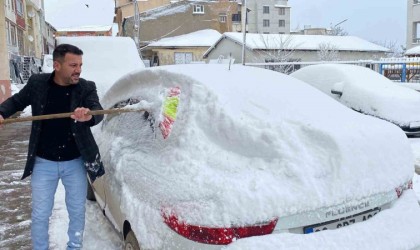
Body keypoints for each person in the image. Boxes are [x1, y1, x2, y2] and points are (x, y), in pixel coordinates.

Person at [0, 44, 105, 250]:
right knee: (40, 214)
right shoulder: (38, 83)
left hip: (75, 161)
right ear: (57, 65)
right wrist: (2, 112)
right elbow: (16, 101)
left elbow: (98, 110)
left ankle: (74, 247)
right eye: (73, 65)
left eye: (80, 65)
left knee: (76, 212)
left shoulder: (86, 87)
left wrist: (88, 115)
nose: (78, 70)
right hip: (43, 162)